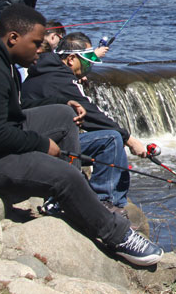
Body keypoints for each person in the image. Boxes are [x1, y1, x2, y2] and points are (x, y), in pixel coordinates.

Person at [0, 3, 163, 266]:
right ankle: (118, 235)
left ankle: (65, 201)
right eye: (36, 43)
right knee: (64, 175)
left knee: (63, 115)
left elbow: (7, 118)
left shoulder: (1, 59)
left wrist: (63, 104)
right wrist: (43, 144)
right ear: (13, 38)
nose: (42, 50)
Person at [21, 32, 151, 215]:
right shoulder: (61, 79)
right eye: (86, 60)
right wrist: (130, 139)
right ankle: (106, 203)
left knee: (108, 138)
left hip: (38, 139)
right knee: (111, 140)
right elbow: (92, 116)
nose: (89, 65)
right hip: (45, 147)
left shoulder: (46, 71)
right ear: (71, 59)